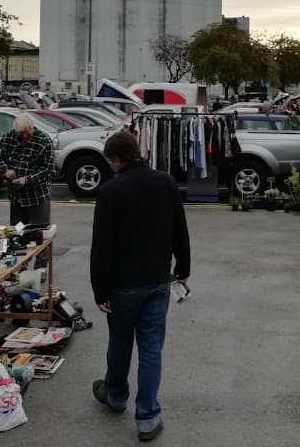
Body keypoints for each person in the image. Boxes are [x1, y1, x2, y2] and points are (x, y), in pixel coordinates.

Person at [90, 130, 190, 442]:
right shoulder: (165, 182)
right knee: (151, 349)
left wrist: (100, 289)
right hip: (158, 280)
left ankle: (116, 395)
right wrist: (183, 269)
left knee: (119, 341)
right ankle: (147, 418)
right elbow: (179, 230)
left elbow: (101, 247)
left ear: (117, 159)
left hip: (122, 284)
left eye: (110, 162)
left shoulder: (110, 191)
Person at [0, 113, 55, 228]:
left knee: (39, 233)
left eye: (27, 132)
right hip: (16, 197)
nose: (24, 136)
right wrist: (5, 171)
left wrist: (26, 179)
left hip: (37, 197)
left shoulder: (44, 140)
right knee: (17, 232)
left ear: (33, 126)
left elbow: (47, 170)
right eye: (21, 133)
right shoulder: (8, 138)